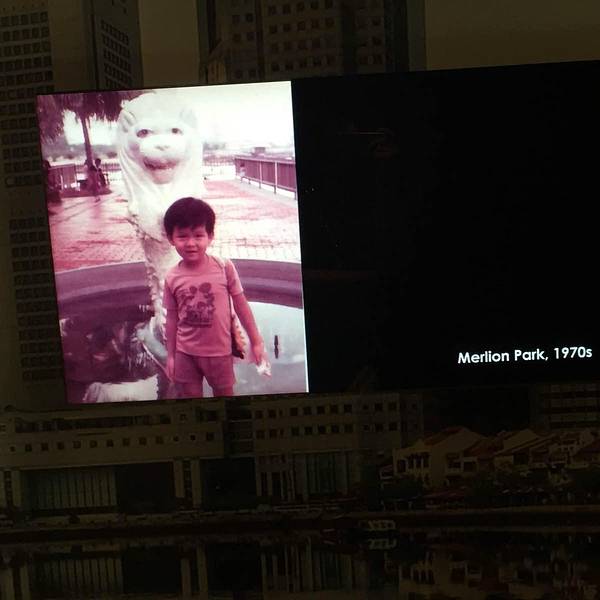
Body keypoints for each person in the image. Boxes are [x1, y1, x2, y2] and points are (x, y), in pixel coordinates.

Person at [162, 196, 267, 398]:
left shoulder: (223, 267)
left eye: (198, 235)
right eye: (182, 236)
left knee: (224, 397)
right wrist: (171, 356)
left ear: (210, 236)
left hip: (219, 352)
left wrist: (256, 341)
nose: (191, 243)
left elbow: (241, 305)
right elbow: (172, 319)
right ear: (170, 238)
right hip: (185, 353)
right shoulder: (172, 277)